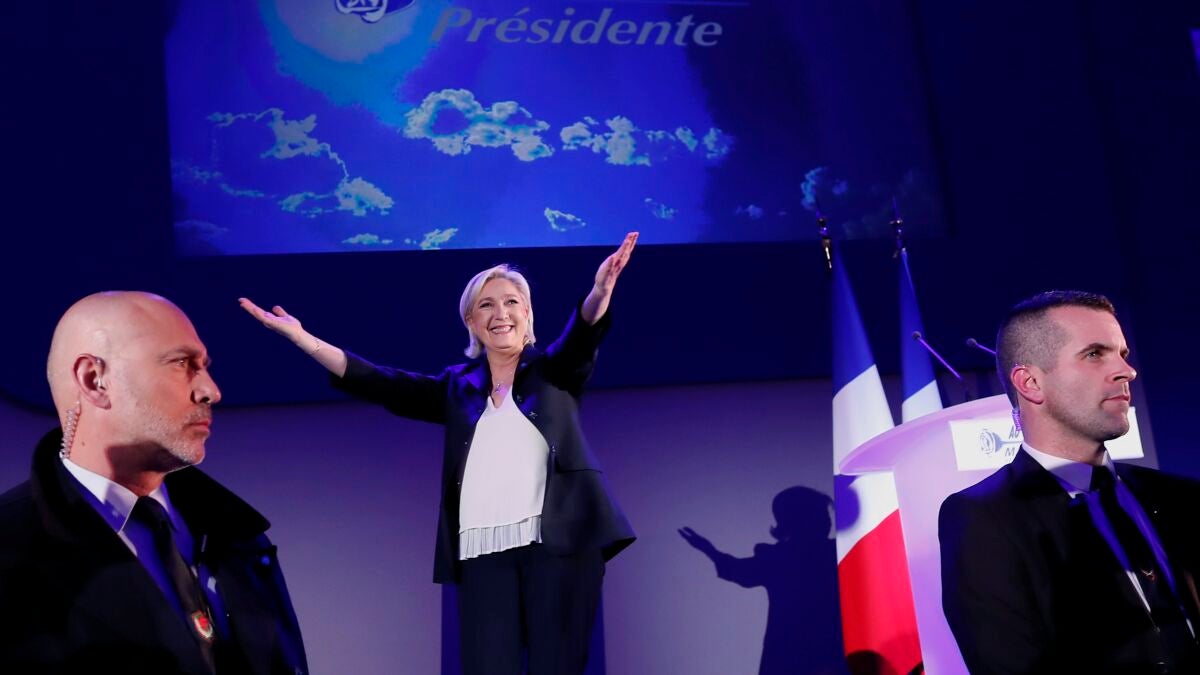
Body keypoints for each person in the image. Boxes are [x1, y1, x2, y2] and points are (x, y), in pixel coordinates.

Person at [239, 233, 639, 675]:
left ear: (527, 315)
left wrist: (601, 290)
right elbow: (383, 383)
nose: (500, 313)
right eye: (486, 305)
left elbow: (581, 337)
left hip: (560, 546)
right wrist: (304, 339)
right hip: (483, 551)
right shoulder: (457, 387)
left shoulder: (554, 372)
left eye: (512, 302)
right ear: (471, 321)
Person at [0, 292, 308, 674]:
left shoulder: (235, 534)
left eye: (203, 366)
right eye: (181, 363)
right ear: (94, 380)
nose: (211, 391)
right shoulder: (10, 554)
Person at [939, 290, 1200, 674]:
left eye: (1123, 354)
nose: (1127, 371)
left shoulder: (1181, 497)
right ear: (1030, 383)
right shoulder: (984, 517)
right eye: (1095, 354)